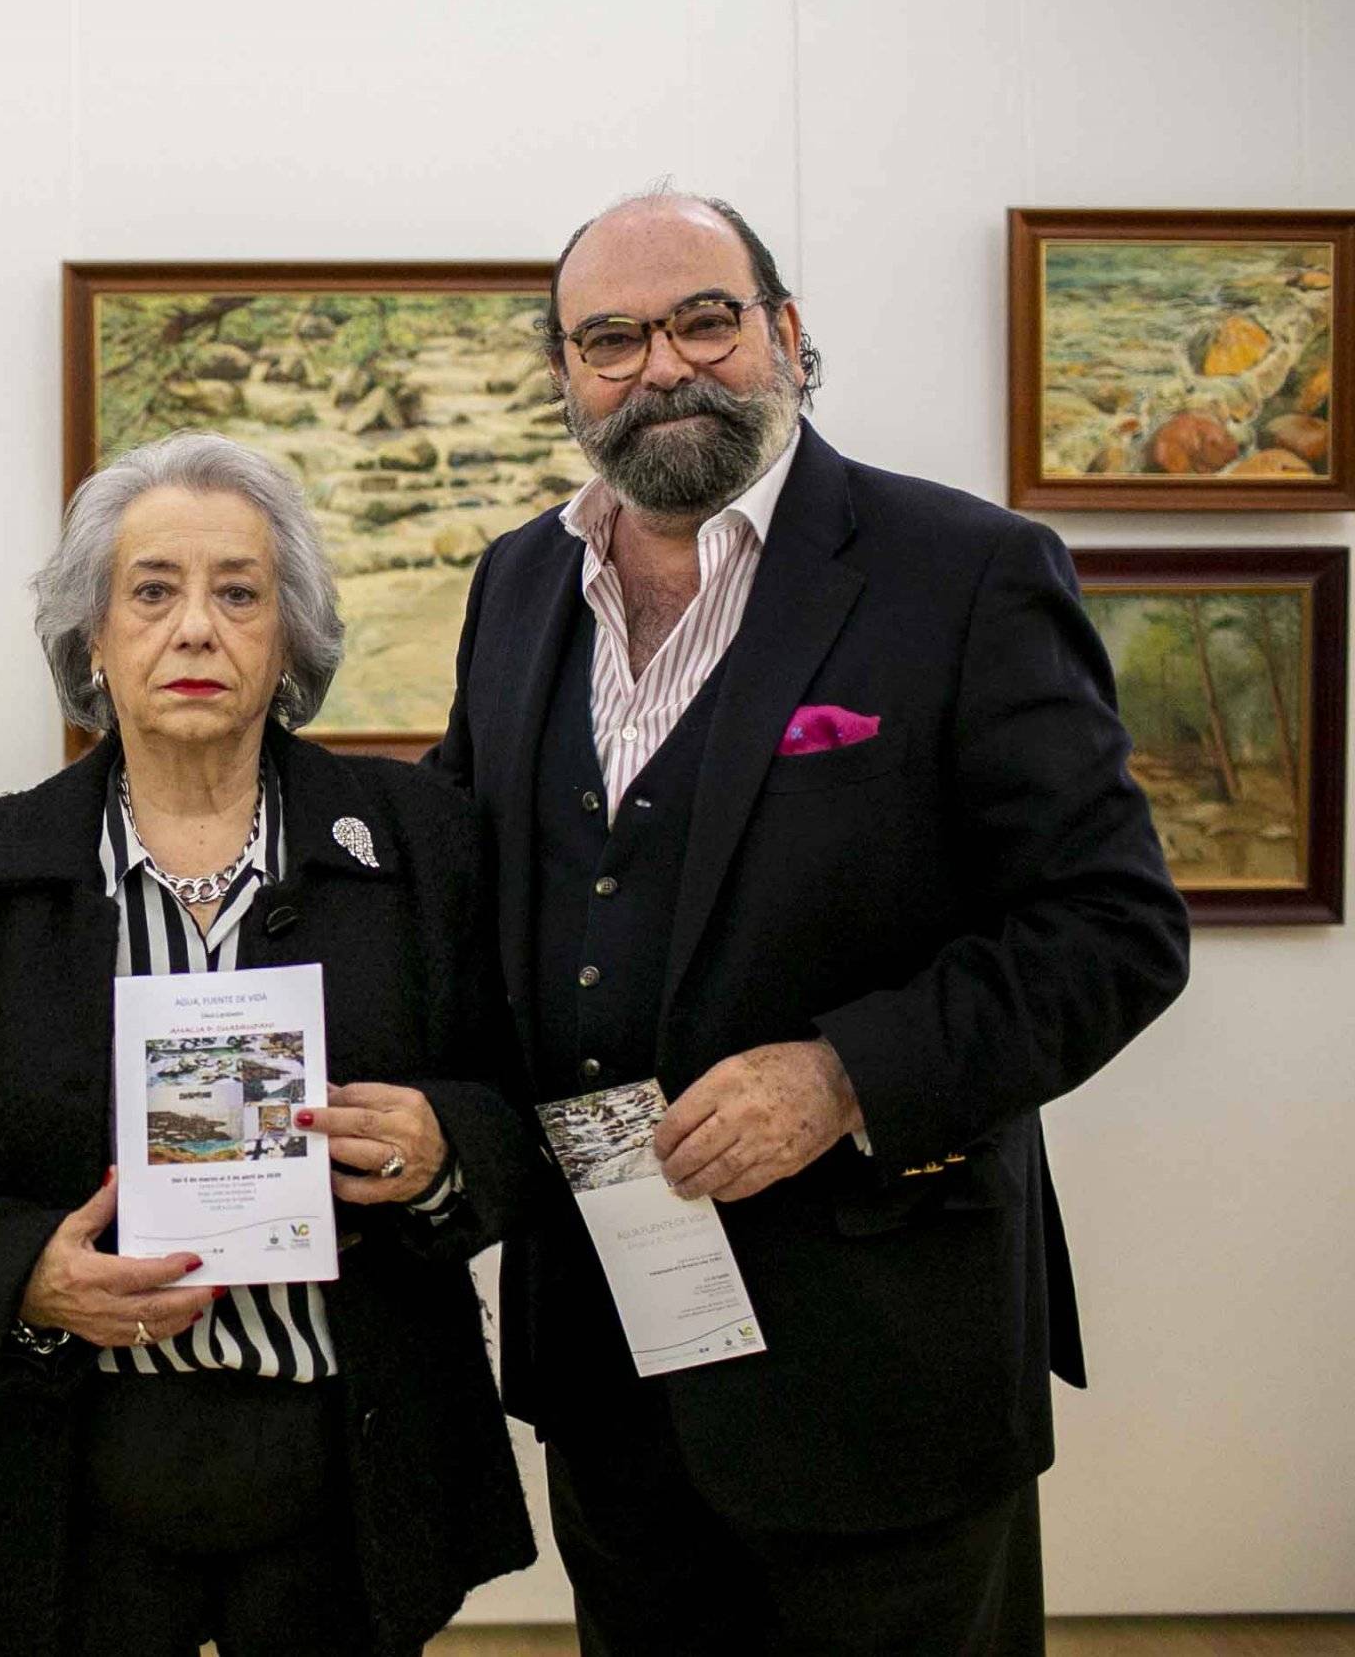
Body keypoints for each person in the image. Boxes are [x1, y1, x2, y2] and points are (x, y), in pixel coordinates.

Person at [427, 189, 1190, 1654]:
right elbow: (472, 898)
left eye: (705, 319)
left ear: (785, 333)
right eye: (611, 338)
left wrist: (846, 1074)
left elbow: (1114, 926)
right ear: (567, 374)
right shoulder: (518, 581)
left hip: (885, 1359)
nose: (663, 366)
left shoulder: (962, 570)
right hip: (608, 1343)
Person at [0, 432, 544, 1657]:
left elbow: (527, 1104)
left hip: (352, 1464)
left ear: (290, 639)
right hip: (58, 1475)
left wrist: (442, 1146)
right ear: (90, 638)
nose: (196, 629)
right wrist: (25, 1277)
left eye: (239, 594)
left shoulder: (424, 845)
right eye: (151, 592)